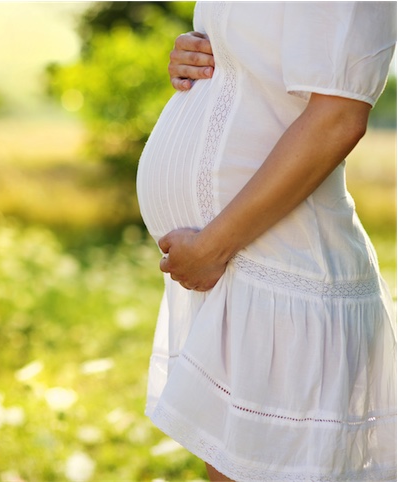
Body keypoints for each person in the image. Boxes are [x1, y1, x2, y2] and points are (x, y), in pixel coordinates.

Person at [136, 3, 397, 481]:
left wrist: (212, 246)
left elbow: (337, 118)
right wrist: (197, 55)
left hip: (284, 276)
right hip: (241, 272)